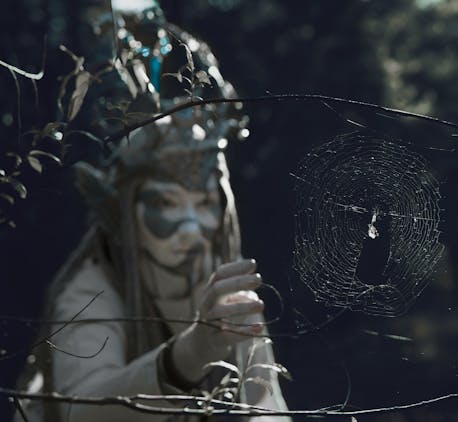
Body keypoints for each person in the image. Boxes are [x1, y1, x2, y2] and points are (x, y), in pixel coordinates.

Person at [14, 2, 290, 421]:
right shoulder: (94, 288)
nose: (193, 228)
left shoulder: (224, 288)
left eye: (205, 204)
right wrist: (189, 355)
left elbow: (266, 407)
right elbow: (80, 410)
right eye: (165, 204)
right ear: (122, 210)